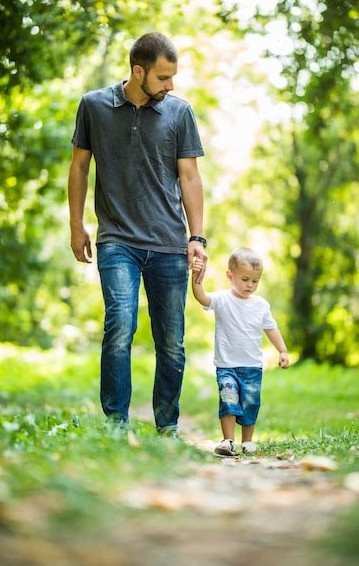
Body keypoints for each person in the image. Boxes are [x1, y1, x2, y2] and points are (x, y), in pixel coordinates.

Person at [68, 32, 207, 436]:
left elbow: (190, 176)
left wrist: (197, 238)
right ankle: (116, 423)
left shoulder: (179, 113)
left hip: (168, 244)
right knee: (120, 326)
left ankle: (167, 426)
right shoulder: (94, 106)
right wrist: (77, 225)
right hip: (117, 240)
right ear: (138, 71)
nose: (171, 86)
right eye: (163, 78)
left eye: (173, 77)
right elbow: (79, 167)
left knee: (172, 342)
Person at [192, 247, 289, 456]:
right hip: (227, 365)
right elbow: (201, 297)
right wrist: (196, 278)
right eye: (245, 279)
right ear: (230, 275)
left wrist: (282, 350)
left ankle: (247, 441)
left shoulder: (261, 305)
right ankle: (227, 441)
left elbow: (271, 329)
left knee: (250, 403)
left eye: (255, 281)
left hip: (252, 366)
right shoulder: (222, 300)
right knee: (228, 400)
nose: (250, 285)